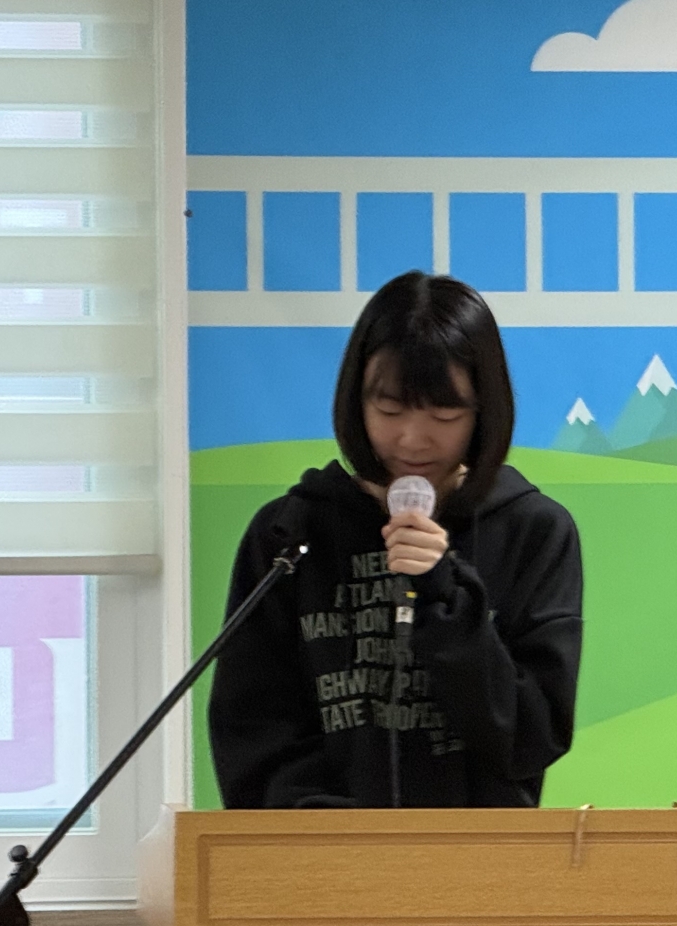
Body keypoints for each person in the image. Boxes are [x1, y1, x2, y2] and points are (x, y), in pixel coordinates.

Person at [209, 271, 583, 809]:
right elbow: (249, 728)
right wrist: (325, 825)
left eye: (445, 414)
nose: (413, 439)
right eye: (389, 410)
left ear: (484, 410)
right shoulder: (289, 535)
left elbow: (531, 737)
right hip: (319, 849)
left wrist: (444, 598)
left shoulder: (533, 532)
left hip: (479, 852)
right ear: (355, 402)